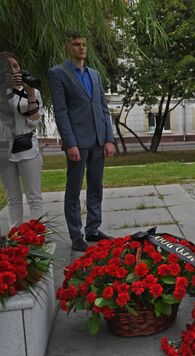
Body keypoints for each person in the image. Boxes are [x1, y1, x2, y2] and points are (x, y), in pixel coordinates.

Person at [47, 32, 115, 251]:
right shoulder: (58, 73)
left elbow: (103, 109)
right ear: (68, 47)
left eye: (84, 44)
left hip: (98, 140)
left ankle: (93, 229)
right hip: (77, 141)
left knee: (96, 186)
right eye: (76, 44)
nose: (81, 48)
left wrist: (108, 138)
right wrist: (70, 143)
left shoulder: (94, 75)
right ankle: (76, 234)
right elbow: (61, 111)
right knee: (74, 188)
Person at [0, 51, 45, 228]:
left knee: (34, 196)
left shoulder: (32, 92)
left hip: (27, 147)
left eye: (16, 66)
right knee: (13, 197)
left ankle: (38, 237)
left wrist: (31, 94)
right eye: (8, 67)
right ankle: (15, 239)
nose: (14, 71)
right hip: (4, 149)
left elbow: (33, 121)